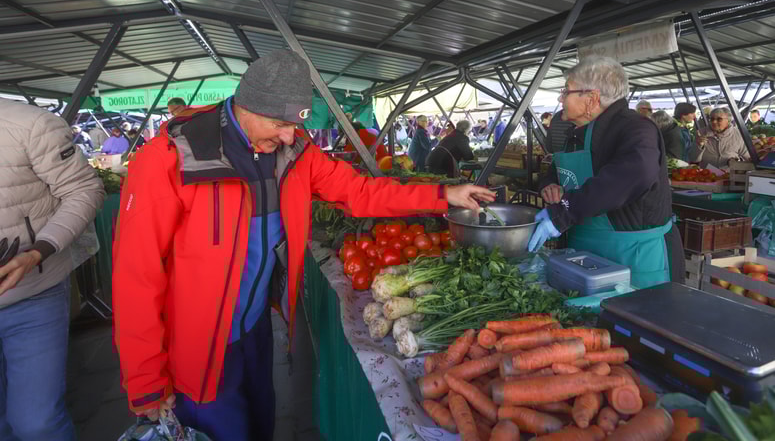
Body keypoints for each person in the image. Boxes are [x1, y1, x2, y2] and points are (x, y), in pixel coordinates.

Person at [111, 50, 495, 441]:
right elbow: (136, 277)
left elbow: (360, 192)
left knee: (261, 427)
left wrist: (444, 193)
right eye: (280, 123)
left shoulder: (294, 154)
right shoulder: (170, 159)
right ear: (246, 107)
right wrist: (144, 381)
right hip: (197, 351)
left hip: (256, 332)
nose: (288, 137)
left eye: (295, 125)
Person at [0, 98, 105, 440]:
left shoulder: (30, 123)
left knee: (37, 422)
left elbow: (84, 189)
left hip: (33, 295)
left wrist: (38, 251)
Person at [530, 56, 684, 288]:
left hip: (633, 258)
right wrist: (549, 184)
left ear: (591, 99)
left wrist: (564, 212)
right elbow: (556, 171)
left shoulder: (635, 128)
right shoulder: (576, 134)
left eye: (567, 91)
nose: (561, 98)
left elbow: (634, 174)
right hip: (584, 253)